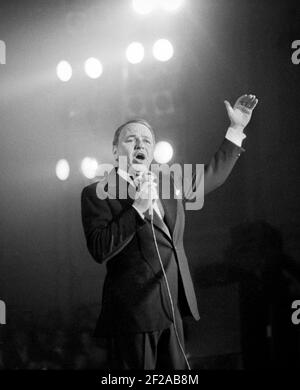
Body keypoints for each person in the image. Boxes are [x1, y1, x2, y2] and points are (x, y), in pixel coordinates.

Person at [81, 94, 258, 369]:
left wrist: (235, 130)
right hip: (133, 314)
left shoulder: (168, 182)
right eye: (131, 139)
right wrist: (136, 210)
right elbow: (99, 248)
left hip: (172, 308)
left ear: (152, 152)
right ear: (115, 151)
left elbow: (211, 176)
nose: (141, 144)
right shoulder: (98, 192)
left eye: (147, 140)